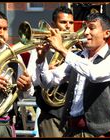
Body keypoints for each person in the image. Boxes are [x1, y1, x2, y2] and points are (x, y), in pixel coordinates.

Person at [36, 12, 110, 137]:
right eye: (85, 28)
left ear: (106, 33)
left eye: (91, 28)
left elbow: (94, 74)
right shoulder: (79, 57)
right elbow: (48, 82)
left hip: (95, 133)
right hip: (72, 130)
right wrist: (41, 59)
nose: (85, 33)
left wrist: (62, 49)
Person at [0, 10, 34, 137]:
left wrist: (27, 86)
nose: (1, 33)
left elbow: (26, 94)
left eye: (4, 29)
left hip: (6, 125)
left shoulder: (15, 56)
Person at [27, 6, 79, 137]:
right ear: (53, 25)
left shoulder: (79, 49)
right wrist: (46, 70)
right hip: (52, 115)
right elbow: (32, 81)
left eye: (71, 23)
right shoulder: (40, 49)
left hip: (76, 115)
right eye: (63, 22)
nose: (68, 26)